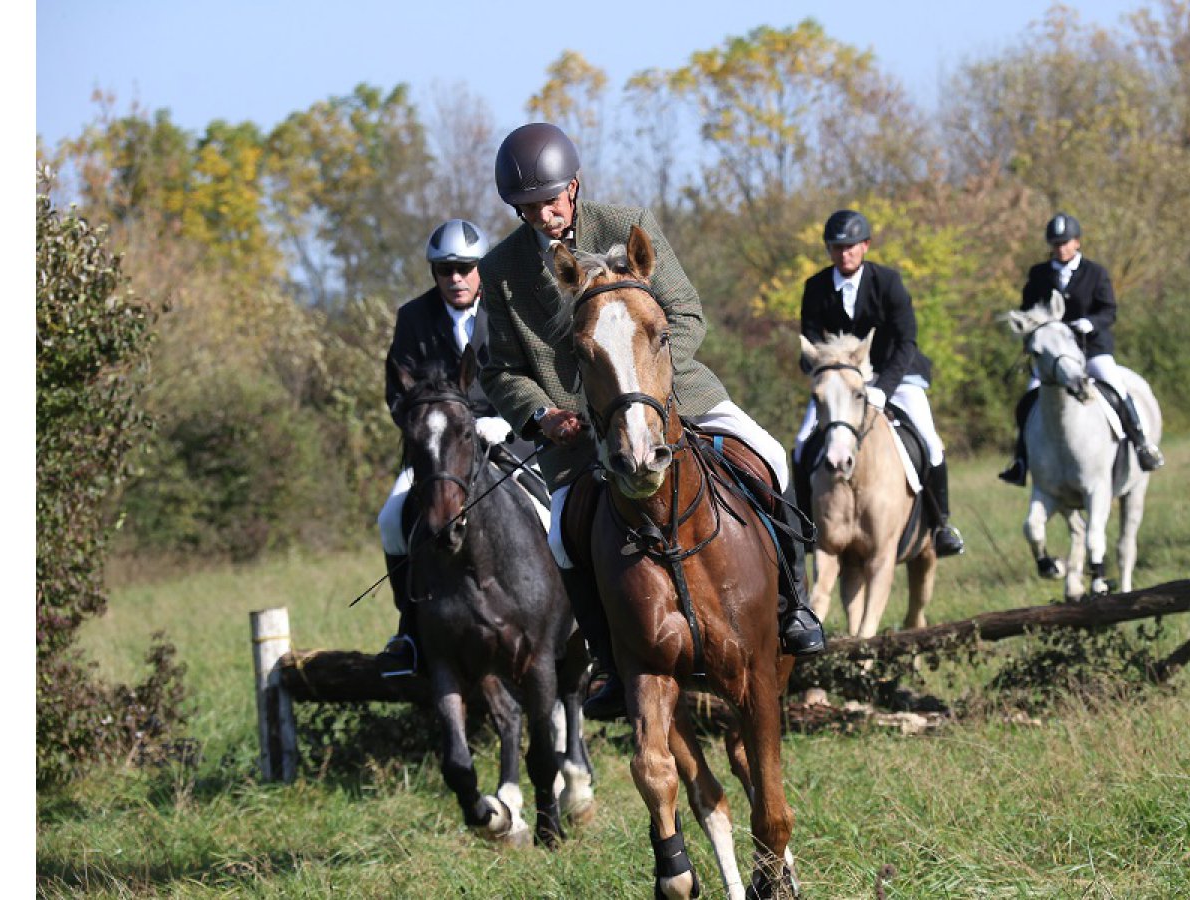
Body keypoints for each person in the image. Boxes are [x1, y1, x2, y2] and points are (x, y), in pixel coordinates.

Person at [476, 122, 826, 721]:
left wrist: (645, 387)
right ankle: (612, 666)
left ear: (575, 188)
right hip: (578, 428)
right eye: (527, 208)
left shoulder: (624, 225)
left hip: (669, 394)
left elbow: (684, 311)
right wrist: (540, 415)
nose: (542, 216)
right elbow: (503, 369)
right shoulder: (502, 269)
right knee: (562, 534)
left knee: (773, 455)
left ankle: (793, 605)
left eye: (550, 202)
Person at [373, 218, 535, 677]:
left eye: (465, 267)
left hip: (506, 438)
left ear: (481, 268)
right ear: (435, 274)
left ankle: (579, 626)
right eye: (446, 270)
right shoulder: (412, 318)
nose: (457, 278)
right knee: (390, 521)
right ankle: (410, 631)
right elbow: (397, 395)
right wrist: (429, 429)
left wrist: (506, 422)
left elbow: (535, 377)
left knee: (553, 515)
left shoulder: (509, 311)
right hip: (440, 449)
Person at [792, 209, 965, 557]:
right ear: (829, 250)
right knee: (800, 443)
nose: (845, 254)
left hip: (895, 375)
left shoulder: (888, 283)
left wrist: (882, 389)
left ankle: (941, 525)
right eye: (837, 247)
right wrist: (821, 368)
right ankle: (807, 527)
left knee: (930, 442)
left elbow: (906, 342)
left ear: (865, 246)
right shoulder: (815, 287)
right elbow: (810, 339)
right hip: (842, 384)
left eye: (851, 247)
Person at [999, 213, 1165, 486]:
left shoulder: (1095, 272)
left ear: (1077, 242)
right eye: (1055, 244)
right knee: (1029, 396)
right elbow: (1030, 309)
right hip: (1055, 357)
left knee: (1117, 387)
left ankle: (1142, 444)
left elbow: (1109, 311)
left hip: (1092, 349)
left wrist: (1090, 323)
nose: (1060, 248)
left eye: (1065, 243)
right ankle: (1020, 461)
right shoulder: (1039, 274)